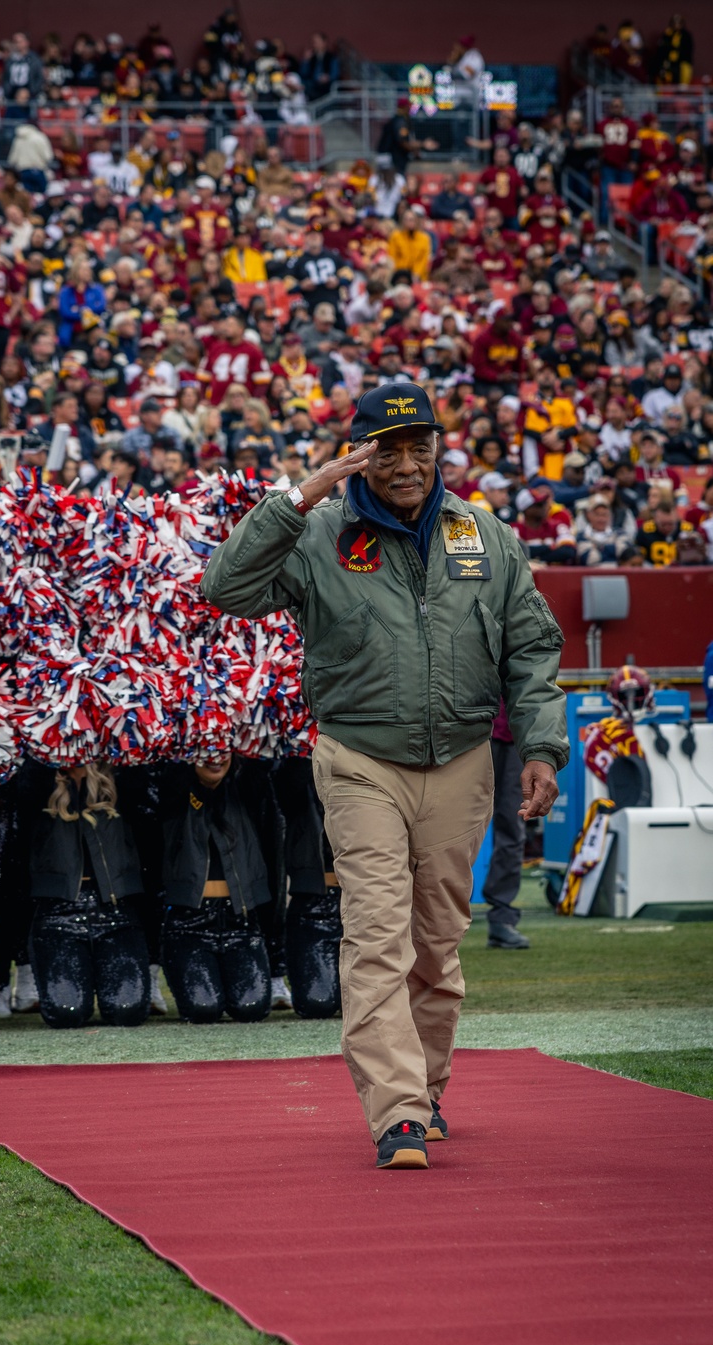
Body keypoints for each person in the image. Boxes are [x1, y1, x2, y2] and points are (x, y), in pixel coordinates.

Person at [202, 381, 568, 1168]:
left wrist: (541, 746)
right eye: (386, 450)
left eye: (418, 448)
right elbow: (224, 588)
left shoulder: (486, 534)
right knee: (376, 935)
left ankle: (427, 1091)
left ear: (438, 451)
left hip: (463, 761)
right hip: (360, 758)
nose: (405, 465)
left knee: (437, 944)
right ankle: (396, 1111)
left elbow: (532, 649)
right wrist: (301, 494)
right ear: (361, 454)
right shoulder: (320, 531)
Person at [21, 761, 150, 1029]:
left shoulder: (123, 777)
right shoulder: (36, 780)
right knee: (67, 1013)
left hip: (117, 912)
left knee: (127, 1012)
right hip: (57, 915)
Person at [159, 755, 277, 1025]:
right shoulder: (173, 793)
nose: (215, 756)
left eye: (222, 747)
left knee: (252, 1009)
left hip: (241, 923)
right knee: (204, 1009)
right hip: (189, 925)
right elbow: (169, 772)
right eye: (205, 748)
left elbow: (262, 761)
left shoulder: (245, 790)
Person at [274, 757, 341, 1017]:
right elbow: (289, 779)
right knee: (318, 1004)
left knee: (372, 1005)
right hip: (312, 903)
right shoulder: (296, 781)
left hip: (362, 903)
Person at [482, 704, 530, 949]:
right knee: (445, 828)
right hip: (472, 731)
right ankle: (428, 919)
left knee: (513, 826)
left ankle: (501, 919)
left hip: (512, 736)